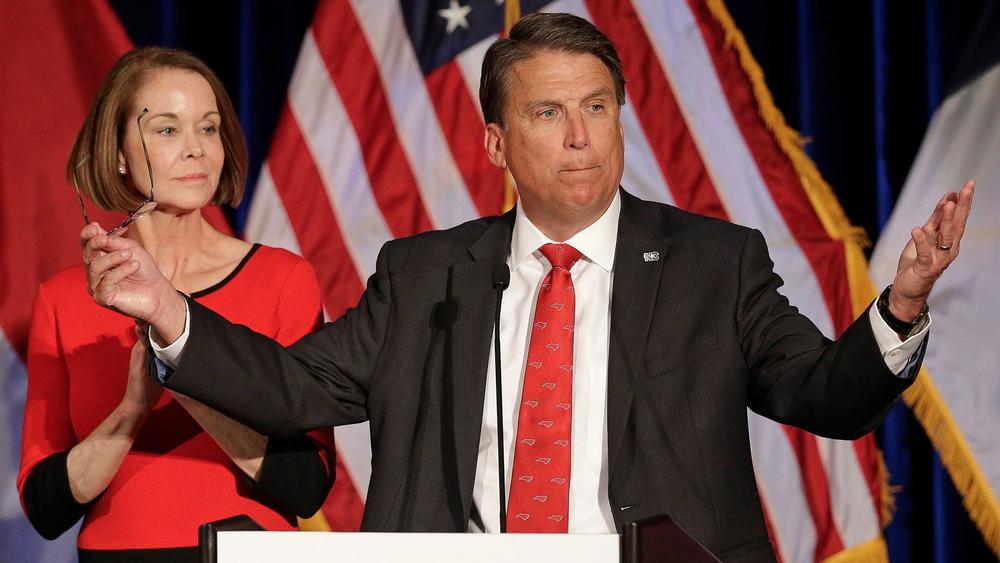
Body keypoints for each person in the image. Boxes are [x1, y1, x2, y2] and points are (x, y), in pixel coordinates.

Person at [81, 14, 974, 562]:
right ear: (498, 145)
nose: (581, 134)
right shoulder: (424, 274)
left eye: (596, 106)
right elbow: (292, 387)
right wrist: (167, 311)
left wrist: (899, 309)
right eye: (549, 112)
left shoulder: (714, 262)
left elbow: (824, 395)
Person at [19, 47, 335, 562]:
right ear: (118, 152)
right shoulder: (61, 298)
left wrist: (179, 357)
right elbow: (44, 506)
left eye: (208, 128)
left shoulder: (283, 279)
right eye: (167, 129)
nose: (196, 149)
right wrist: (132, 410)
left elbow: (306, 484)